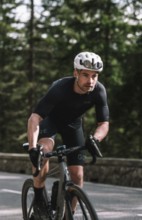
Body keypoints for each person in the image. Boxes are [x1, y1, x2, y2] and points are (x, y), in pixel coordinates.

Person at [27, 51, 109, 219]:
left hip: (73, 125)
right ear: (75, 73)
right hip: (51, 122)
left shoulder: (98, 90)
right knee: (43, 152)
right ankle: (38, 197)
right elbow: (35, 118)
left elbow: (103, 124)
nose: (91, 81)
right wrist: (33, 148)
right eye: (85, 75)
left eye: (94, 76)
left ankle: (67, 215)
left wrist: (95, 139)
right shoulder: (60, 88)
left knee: (78, 175)